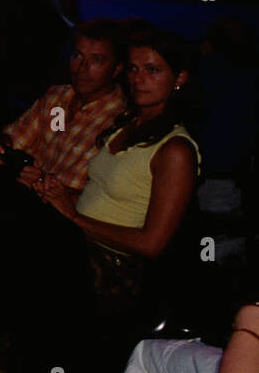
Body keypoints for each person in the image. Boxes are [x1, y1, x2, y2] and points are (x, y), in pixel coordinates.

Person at [38, 26, 200, 308]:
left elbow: (152, 244)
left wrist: (75, 219)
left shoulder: (175, 150)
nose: (139, 79)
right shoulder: (127, 124)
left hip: (112, 271)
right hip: (78, 245)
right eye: (134, 69)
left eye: (152, 70)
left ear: (179, 78)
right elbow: (104, 200)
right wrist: (59, 196)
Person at [0, 18, 128, 198]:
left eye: (96, 60)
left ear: (116, 68)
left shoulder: (121, 120)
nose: (82, 68)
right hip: (23, 197)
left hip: (67, 216)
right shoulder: (58, 98)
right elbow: (15, 137)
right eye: (77, 56)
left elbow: (103, 202)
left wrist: (49, 187)